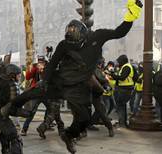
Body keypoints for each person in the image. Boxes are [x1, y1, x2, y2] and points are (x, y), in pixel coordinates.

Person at [9, 1, 142, 153]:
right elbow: (52, 64)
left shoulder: (97, 36)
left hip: (78, 87)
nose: (72, 45)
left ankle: (68, 135)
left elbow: (120, 32)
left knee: (84, 119)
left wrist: (132, 13)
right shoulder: (64, 44)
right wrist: (45, 80)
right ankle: (13, 107)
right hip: (60, 81)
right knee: (34, 91)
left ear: (84, 36)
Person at [110, 55, 135, 127]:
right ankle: (123, 122)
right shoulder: (125, 66)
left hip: (125, 89)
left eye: (119, 61)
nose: (118, 63)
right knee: (122, 106)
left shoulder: (127, 67)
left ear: (122, 61)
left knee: (120, 106)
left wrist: (113, 75)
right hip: (125, 88)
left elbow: (122, 77)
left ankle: (122, 123)